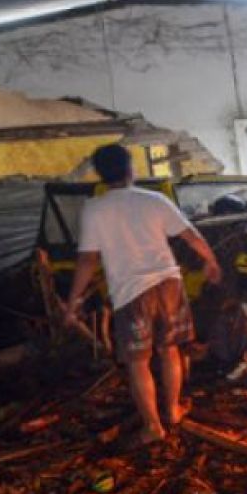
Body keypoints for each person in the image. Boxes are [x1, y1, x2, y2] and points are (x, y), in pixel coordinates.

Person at [63, 144, 222, 444]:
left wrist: (73, 300)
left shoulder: (94, 209)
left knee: (138, 362)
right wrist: (210, 261)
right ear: (130, 169)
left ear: (99, 174)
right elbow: (190, 235)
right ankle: (172, 410)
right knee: (169, 350)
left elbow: (87, 260)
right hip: (169, 286)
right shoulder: (154, 200)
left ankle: (153, 426)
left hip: (131, 293)